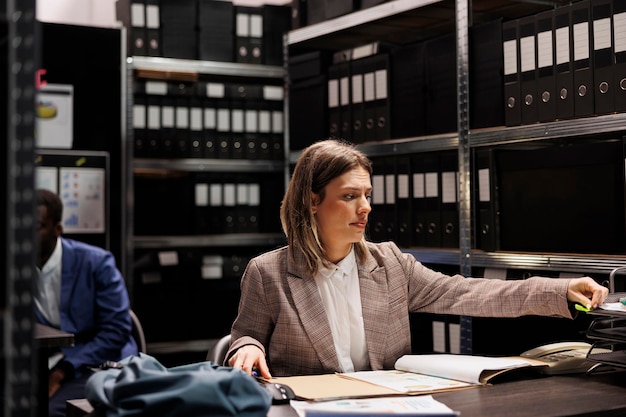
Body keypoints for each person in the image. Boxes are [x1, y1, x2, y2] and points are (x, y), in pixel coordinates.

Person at [225, 138, 608, 379]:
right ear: (312, 200)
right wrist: (248, 347)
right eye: (349, 196)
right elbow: (245, 337)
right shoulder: (268, 273)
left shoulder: (389, 264)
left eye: (367, 195)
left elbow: (471, 293)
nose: (365, 208)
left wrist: (560, 290)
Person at [35, 189, 138, 417]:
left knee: (49, 411)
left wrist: (63, 370)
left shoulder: (96, 263)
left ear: (57, 230)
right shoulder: (16, 269)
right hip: (46, 363)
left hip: (97, 362)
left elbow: (116, 330)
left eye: (37, 227)